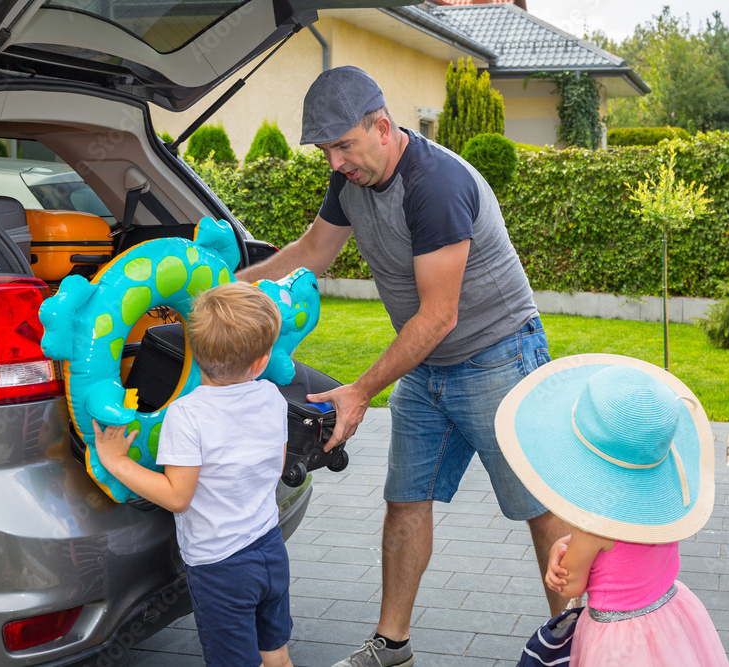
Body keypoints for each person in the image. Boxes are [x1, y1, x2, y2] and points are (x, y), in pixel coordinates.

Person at [237, 65, 570, 667]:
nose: (335, 162)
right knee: (406, 498)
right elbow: (313, 252)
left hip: (497, 355)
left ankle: (576, 642)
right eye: (325, 150)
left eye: (343, 146)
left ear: (383, 127)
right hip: (425, 365)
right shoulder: (351, 178)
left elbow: (439, 314)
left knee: (538, 506)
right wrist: (230, 288)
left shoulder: (435, 184)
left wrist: (361, 390)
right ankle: (391, 646)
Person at [92, 281, 294, 667]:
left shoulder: (187, 414)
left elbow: (177, 496)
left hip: (222, 567)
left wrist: (118, 461)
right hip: (270, 548)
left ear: (192, 352)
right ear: (261, 361)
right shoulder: (271, 397)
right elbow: (275, 465)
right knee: (276, 653)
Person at [495, 353, 729, 666]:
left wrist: (561, 549)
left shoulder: (593, 523)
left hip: (619, 643)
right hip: (671, 616)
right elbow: (628, 559)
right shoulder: (663, 511)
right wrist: (570, 543)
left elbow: (571, 584)